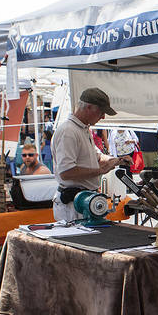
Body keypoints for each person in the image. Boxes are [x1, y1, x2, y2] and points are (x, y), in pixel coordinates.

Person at [51, 88, 128, 222]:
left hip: (83, 201)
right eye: (101, 112)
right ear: (88, 107)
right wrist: (100, 171)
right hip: (74, 205)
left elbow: (97, 156)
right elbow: (66, 172)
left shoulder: (82, 128)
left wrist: (116, 160)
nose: (103, 117)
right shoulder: (69, 131)